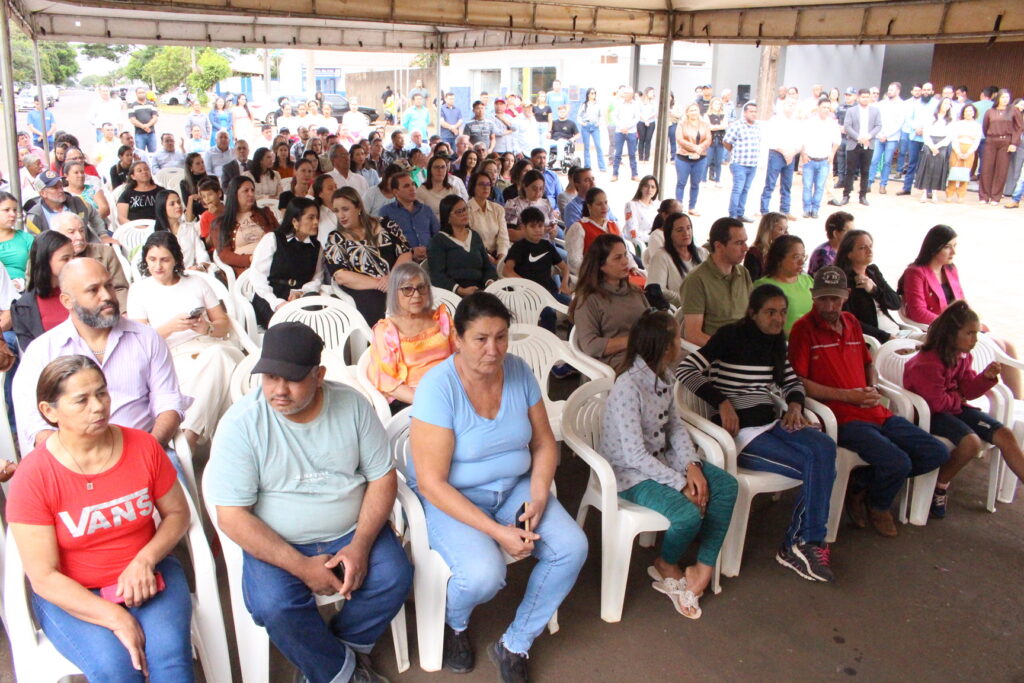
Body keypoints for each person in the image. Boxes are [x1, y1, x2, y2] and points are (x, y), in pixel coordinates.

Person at [205, 321, 412, 683]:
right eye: (269, 377)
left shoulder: (352, 405)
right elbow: (233, 517)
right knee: (276, 605)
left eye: (291, 379)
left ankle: (335, 649)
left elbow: (382, 477)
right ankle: (342, 672)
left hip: (349, 529)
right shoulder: (242, 424)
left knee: (394, 575)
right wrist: (302, 567)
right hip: (276, 540)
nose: (278, 390)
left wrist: (361, 546)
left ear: (319, 375)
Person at [409, 292, 587, 680]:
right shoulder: (438, 388)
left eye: (502, 337)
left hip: (513, 488)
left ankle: (514, 643)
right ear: (457, 338)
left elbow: (543, 442)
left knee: (571, 547)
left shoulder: (519, 371)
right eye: (481, 339)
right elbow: (432, 483)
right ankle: (455, 623)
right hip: (452, 498)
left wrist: (539, 494)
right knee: (484, 575)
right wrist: (496, 532)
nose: (494, 349)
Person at [7, 355, 193, 681]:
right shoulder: (35, 476)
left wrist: (145, 560)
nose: (98, 406)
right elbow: (43, 576)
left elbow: (177, 514)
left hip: (149, 573)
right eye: (81, 400)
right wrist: (116, 618)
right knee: (117, 670)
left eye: (102, 393)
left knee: (170, 664)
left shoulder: (143, 447)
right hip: (75, 592)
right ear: (49, 411)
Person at [676, 283, 837, 582]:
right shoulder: (730, 337)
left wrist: (795, 406)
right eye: (770, 313)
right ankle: (804, 543)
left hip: (772, 423)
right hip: (742, 433)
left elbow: (791, 381)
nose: (778, 319)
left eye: (782, 313)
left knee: (825, 448)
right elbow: (685, 370)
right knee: (815, 464)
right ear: (753, 313)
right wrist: (721, 402)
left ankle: (803, 543)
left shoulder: (776, 342)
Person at [789, 266, 946, 536]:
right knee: (898, 462)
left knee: (936, 452)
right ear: (813, 296)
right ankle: (879, 504)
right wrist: (847, 396)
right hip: (841, 418)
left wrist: (872, 386)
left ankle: (861, 485)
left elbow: (867, 363)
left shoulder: (851, 322)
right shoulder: (803, 329)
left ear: (846, 296)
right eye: (823, 298)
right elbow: (799, 383)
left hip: (874, 411)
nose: (829, 306)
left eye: (835, 299)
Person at [602, 311, 738, 616]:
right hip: (630, 474)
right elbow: (634, 455)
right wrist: (680, 484)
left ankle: (702, 566)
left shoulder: (665, 375)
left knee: (726, 486)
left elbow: (674, 427)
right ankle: (665, 562)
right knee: (687, 515)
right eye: (677, 337)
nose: (680, 342)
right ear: (666, 347)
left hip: (662, 459)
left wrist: (691, 466)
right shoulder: (628, 386)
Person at [13, 258, 190, 453]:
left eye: (109, 286)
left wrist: (151, 449)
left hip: (145, 450)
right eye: (93, 290)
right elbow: (35, 422)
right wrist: (71, 461)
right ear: (66, 301)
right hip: (75, 462)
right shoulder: (43, 352)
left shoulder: (147, 338)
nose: (106, 296)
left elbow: (168, 402)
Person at [904, 301, 1024, 517]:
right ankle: (940, 485)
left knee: (1005, 434)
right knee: (971, 444)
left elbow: (967, 390)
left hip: (954, 407)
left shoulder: (963, 356)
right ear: (951, 334)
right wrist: (958, 397)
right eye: (970, 333)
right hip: (931, 414)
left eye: (976, 334)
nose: (975, 340)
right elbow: (936, 403)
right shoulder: (928, 362)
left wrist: (985, 378)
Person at [129, 231, 240, 449]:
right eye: (152, 259)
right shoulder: (140, 290)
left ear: (175, 260)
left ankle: (187, 439)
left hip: (210, 345)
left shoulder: (197, 283)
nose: (158, 266)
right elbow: (141, 341)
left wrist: (205, 327)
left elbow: (223, 324)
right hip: (172, 355)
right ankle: (200, 439)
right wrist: (169, 328)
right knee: (220, 368)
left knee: (218, 356)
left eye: (164, 259)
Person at [366, 262, 456, 411]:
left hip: (450, 389)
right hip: (412, 400)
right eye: (407, 289)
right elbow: (388, 382)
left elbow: (460, 356)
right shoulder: (386, 331)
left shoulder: (441, 318)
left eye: (421, 288)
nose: (416, 295)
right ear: (395, 292)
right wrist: (428, 400)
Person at [326, 187, 411, 327]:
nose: (341, 215)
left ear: (358, 207)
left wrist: (392, 278)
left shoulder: (386, 225)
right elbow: (340, 275)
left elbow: (406, 252)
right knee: (374, 300)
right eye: (336, 211)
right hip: (363, 289)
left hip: (396, 281)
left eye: (345, 209)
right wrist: (379, 283)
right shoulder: (335, 238)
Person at [569, 234, 648, 368]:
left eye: (625, 255)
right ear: (601, 265)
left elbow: (649, 320)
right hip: (616, 362)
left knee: (686, 363)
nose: (625, 262)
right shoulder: (589, 299)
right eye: (618, 258)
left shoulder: (634, 291)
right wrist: (633, 341)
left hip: (645, 352)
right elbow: (590, 345)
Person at [248, 197, 323, 327]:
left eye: (317, 217)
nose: (316, 222)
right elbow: (257, 276)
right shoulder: (273, 239)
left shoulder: (316, 247)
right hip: (270, 296)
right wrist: (276, 302)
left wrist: (302, 291)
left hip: (299, 297)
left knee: (314, 320)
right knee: (289, 323)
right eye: (310, 218)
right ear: (295, 221)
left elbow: (317, 278)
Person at [679, 217, 752, 347]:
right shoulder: (696, 279)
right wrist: (732, 350)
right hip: (719, 353)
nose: (746, 248)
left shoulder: (743, 273)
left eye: (745, 242)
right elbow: (693, 335)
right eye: (739, 243)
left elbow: (753, 317)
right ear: (719, 246)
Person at [502, 206, 571, 328]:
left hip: (549, 293)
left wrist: (564, 284)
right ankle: (548, 344)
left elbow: (565, 267)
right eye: (533, 226)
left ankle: (572, 342)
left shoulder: (547, 245)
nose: (538, 230)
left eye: (540, 226)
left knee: (577, 307)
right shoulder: (519, 247)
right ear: (523, 227)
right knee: (549, 313)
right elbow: (507, 270)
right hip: (528, 296)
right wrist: (529, 286)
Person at [833, 229, 902, 343]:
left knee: (931, 341)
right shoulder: (842, 280)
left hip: (896, 331)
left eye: (870, 246)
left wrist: (874, 290)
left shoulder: (873, 272)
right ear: (849, 254)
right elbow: (848, 320)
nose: (869, 251)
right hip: (874, 339)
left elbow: (896, 303)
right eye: (862, 248)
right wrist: (884, 336)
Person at [12, 231, 74, 349]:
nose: (73, 262)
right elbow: (30, 353)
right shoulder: (23, 307)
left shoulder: (84, 292)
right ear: (45, 261)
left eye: (73, 256)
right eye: (65, 259)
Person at [428, 195, 498, 296]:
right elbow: (437, 276)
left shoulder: (474, 236)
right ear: (447, 218)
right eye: (459, 212)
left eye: (465, 209)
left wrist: (489, 282)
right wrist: (460, 290)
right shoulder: (438, 241)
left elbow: (488, 266)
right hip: (453, 294)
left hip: (480, 290)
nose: (464, 214)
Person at [212, 176, 277, 277]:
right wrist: (250, 259)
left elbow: (280, 236)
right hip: (245, 269)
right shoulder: (222, 223)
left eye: (252, 190)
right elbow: (224, 255)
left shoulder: (265, 213)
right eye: (246, 191)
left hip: (271, 261)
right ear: (234, 194)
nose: (251, 194)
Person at [830, 89, 881, 207]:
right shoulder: (851, 111)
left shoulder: (875, 111)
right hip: (854, 143)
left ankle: (863, 196)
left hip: (868, 143)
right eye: (863, 97)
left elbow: (878, 125)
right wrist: (858, 137)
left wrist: (868, 136)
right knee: (850, 171)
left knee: (865, 170)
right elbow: (847, 126)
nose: (865, 99)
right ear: (858, 98)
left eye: (867, 97)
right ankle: (846, 195)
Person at [753, 235, 812, 335]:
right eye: (796, 257)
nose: (801, 262)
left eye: (803, 256)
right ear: (779, 259)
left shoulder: (807, 280)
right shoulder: (764, 286)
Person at [25, 170, 107, 242]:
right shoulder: (34, 216)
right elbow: (36, 244)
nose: (61, 190)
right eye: (55, 188)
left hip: (84, 249)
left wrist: (102, 234)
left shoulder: (78, 201)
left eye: (61, 186)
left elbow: (94, 216)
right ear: (43, 193)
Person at [646, 212, 706, 308]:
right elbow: (658, 290)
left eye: (688, 228)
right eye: (679, 230)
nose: (686, 233)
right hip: (680, 311)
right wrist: (688, 301)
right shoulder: (661, 257)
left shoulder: (702, 253)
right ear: (669, 234)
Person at [379, 172, 439, 263]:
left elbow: (437, 235)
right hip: (403, 263)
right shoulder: (386, 212)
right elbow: (385, 243)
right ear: (395, 192)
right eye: (406, 186)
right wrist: (410, 252)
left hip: (430, 259)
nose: (412, 188)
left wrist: (428, 250)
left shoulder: (426, 209)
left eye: (413, 184)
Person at [759, 98, 801, 219]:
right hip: (777, 154)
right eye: (789, 104)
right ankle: (764, 210)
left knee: (787, 184)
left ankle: (785, 210)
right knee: (770, 183)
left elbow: (800, 141)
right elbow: (770, 139)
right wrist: (784, 152)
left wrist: (792, 153)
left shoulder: (797, 122)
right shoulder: (775, 120)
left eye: (793, 104)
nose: (791, 106)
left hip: (791, 156)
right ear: (783, 106)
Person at [565, 187, 622, 276]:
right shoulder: (579, 228)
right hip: (594, 276)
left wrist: (631, 266)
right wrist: (592, 274)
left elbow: (625, 253)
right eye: (599, 204)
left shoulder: (614, 225)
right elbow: (574, 260)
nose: (604, 207)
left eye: (606, 203)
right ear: (589, 206)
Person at [979, 89, 1023, 204]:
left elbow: (1019, 128)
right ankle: (984, 196)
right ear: (998, 98)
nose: (1005, 100)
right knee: (986, 168)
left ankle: (995, 197)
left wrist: (1014, 143)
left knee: (1001, 169)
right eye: (1003, 97)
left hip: (1006, 141)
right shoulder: (990, 111)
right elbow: (985, 127)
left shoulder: (1013, 111)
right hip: (991, 140)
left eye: (1007, 98)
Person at [800, 98, 841, 219]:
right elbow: (801, 139)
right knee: (807, 186)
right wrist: (803, 154)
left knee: (820, 186)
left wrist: (832, 153)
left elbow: (837, 141)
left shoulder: (832, 123)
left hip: (824, 160)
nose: (826, 110)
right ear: (818, 108)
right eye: (824, 107)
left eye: (828, 108)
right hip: (809, 159)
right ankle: (806, 209)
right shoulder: (809, 122)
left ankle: (815, 209)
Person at [153, 190, 210, 271]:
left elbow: (201, 253)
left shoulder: (189, 229)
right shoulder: (157, 234)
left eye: (179, 202)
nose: (178, 206)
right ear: (163, 208)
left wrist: (201, 267)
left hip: (190, 274)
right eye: (172, 204)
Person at [723, 102, 762, 222]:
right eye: (751, 111)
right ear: (745, 112)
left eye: (755, 112)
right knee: (738, 189)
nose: (753, 114)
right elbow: (726, 141)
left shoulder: (757, 126)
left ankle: (740, 213)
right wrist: (732, 151)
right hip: (739, 163)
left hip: (752, 164)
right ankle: (733, 215)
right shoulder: (737, 125)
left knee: (745, 190)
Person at [867, 83, 906, 195]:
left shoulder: (902, 105)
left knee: (887, 162)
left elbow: (899, 123)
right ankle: (869, 183)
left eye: (892, 90)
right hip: (879, 136)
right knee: (874, 160)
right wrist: (879, 133)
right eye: (888, 89)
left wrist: (887, 135)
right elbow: (876, 120)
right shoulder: (881, 104)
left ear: (898, 91)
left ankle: (883, 185)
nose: (889, 91)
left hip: (892, 138)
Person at [913, 97, 953, 203]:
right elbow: (926, 133)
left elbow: (949, 136)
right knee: (927, 168)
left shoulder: (950, 119)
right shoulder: (931, 117)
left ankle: (935, 193)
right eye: (945, 103)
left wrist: (938, 146)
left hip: (942, 145)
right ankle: (924, 193)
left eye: (949, 104)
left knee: (938, 169)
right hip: (930, 142)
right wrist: (931, 146)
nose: (946, 105)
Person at [674, 103, 711, 216]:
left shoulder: (704, 124)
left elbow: (708, 139)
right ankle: (679, 207)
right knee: (681, 183)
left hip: (700, 158)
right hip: (683, 157)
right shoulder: (682, 124)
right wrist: (694, 147)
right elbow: (679, 139)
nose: (694, 112)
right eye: (691, 110)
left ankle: (692, 207)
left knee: (695, 184)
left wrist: (701, 148)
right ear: (687, 112)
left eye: (696, 110)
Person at [465, 172, 510, 260]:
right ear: (473, 187)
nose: (485, 187)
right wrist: (488, 258)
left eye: (488, 184)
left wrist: (501, 258)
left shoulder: (498, 209)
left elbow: (503, 238)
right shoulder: (466, 210)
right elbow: (469, 241)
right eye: (481, 184)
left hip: (496, 254)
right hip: (474, 255)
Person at [946, 103, 983, 202]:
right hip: (957, 148)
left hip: (969, 150)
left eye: (971, 111)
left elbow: (977, 141)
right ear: (963, 113)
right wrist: (958, 151)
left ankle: (961, 195)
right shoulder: (958, 124)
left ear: (974, 113)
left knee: (965, 173)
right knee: (954, 171)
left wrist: (968, 153)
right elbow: (953, 138)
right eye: (967, 111)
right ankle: (949, 193)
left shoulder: (977, 126)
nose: (969, 113)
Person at [0, 190, 33, 286]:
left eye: (15, 210)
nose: (13, 214)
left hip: (22, 288)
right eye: (7, 210)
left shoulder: (25, 238)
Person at [743, 212, 788, 282]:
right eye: (781, 229)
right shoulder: (755, 252)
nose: (785, 234)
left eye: (786, 230)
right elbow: (752, 282)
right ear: (769, 229)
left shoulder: (782, 250)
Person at [807, 211, 853, 276]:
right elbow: (825, 282)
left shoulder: (846, 249)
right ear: (835, 233)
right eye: (849, 231)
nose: (853, 234)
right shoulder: (823, 254)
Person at [417, 154, 463, 219]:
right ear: (430, 170)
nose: (440, 170)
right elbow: (421, 216)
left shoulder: (453, 189)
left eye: (443, 167)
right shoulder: (421, 191)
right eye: (436, 167)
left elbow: (460, 211)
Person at [611, 87, 640, 182]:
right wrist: (621, 126)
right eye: (624, 93)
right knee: (617, 154)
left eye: (626, 93)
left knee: (632, 154)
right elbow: (614, 116)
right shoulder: (619, 103)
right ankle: (614, 174)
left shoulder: (635, 105)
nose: (624, 95)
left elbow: (637, 118)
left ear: (631, 94)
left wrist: (627, 127)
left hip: (631, 132)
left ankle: (634, 174)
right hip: (619, 131)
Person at [623, 175, 659, 243]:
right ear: (641, 187)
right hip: (638, 243)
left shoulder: (658, 205)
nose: (649, 189)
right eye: (646, 186)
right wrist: (654, 239)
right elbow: (632, 232)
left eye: (653, 187)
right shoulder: (631, 205)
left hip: (655, 241)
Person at [578, 88, 606, 172]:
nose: (593, 95)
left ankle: (602, 166)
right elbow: (579, 115)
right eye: (591, 93)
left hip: (595, 126)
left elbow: (601, 115)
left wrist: (599, 123)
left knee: (598, 146)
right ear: (588, 95)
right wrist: (582, 123)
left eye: (594, 93)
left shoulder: (598, 104)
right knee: (586, 147)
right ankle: (587, 166)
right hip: (586, 126)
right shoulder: (584, 105)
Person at [128, 87, 160, 153]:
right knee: (140, 154)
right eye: (139, 93)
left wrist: (148, 125)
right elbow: (132, 120)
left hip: (151, 133)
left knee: (153, 154)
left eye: (143, 92)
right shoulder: (132, 106)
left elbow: (155, 117)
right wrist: (143, 127)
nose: (141, 94)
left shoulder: (151, 104)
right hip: (139, 134)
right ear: (136, 94)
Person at [704, 97, 727, 186]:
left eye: (719, 104)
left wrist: (715, 126)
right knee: (708, 160)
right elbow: (708, 127)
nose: (717, 106)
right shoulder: (707, 115)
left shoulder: (724, 115)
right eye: (715, 104)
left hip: (720, 140)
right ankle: (703, 179)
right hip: (710, 139)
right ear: (712, 105)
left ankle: (718, 180)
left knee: (718, 161)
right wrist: (718, 126)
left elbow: (724, 126)